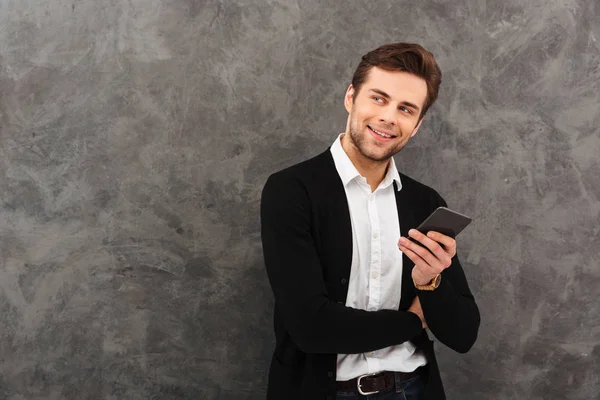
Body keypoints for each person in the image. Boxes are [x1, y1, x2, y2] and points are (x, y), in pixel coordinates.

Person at [260, 42, 480, 400]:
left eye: (405, 109)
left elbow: (464, 334)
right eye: (378, 98)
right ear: (351, 97)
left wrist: (430, 285)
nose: (389, 117)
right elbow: (311, 328)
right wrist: (413, 321)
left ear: (417, 125)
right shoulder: (291, 190)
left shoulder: (426, 203)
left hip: (415, 389)